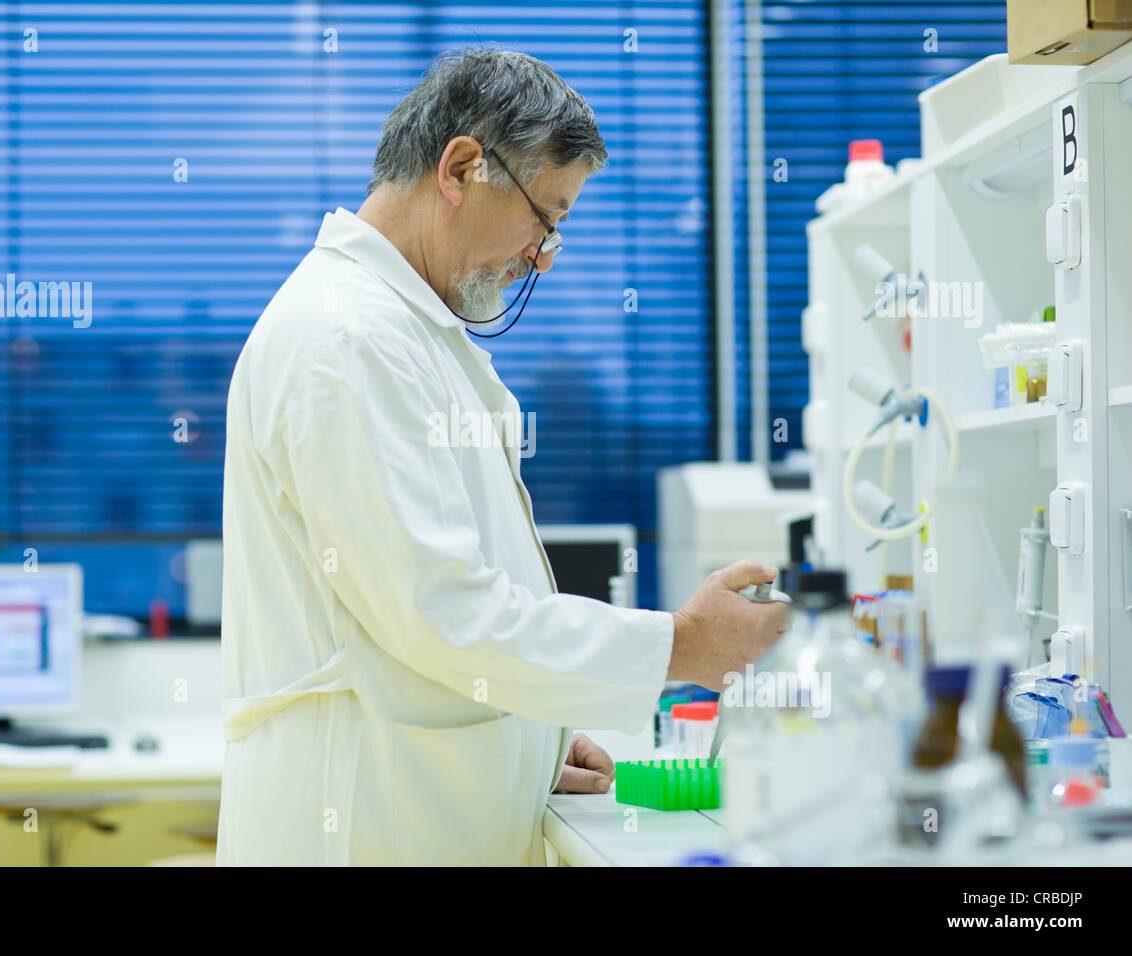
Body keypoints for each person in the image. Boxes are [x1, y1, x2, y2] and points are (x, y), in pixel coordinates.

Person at [217, 47, 786, 866]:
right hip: (360, 825)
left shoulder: (403, 332)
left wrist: (537, 737)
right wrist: (682, 645)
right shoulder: (348, 340)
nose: (544, 254)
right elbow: (441, 612)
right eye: (546, 215)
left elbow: (427, 626)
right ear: (461, 168)